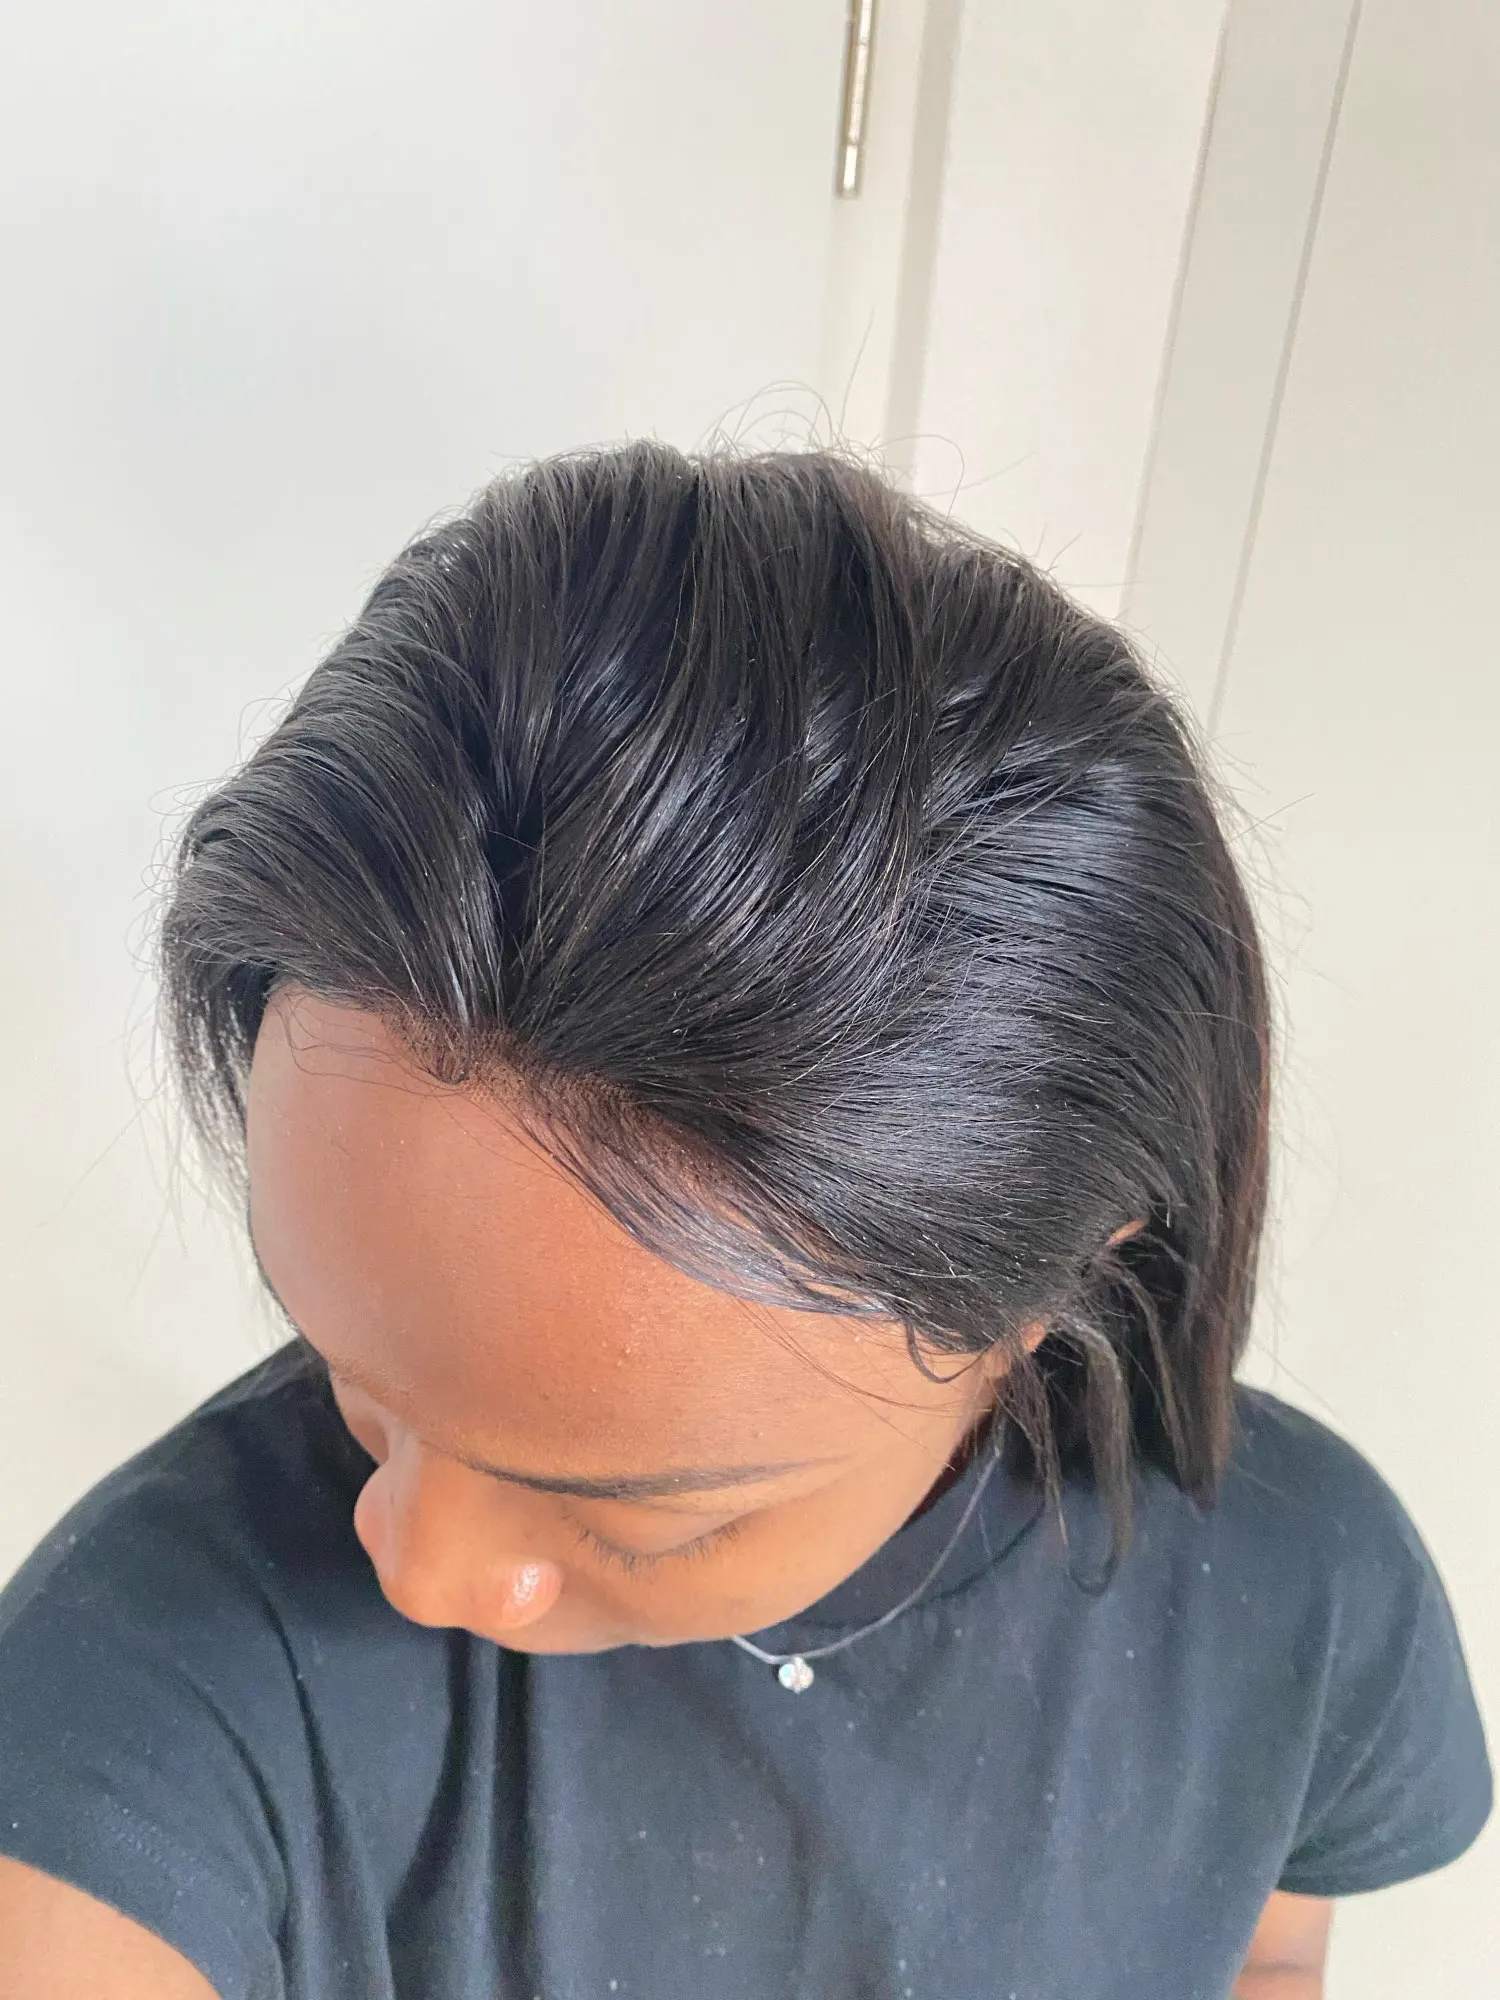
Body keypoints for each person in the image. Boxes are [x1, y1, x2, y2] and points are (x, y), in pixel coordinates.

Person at [0, 444, 1488, 2000]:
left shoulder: (1301, 1600)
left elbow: (1265, 1957)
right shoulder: (142, 1693)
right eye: (350, 1371)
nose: (418, 1565)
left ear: (1043, 1291)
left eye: (636, 1519)